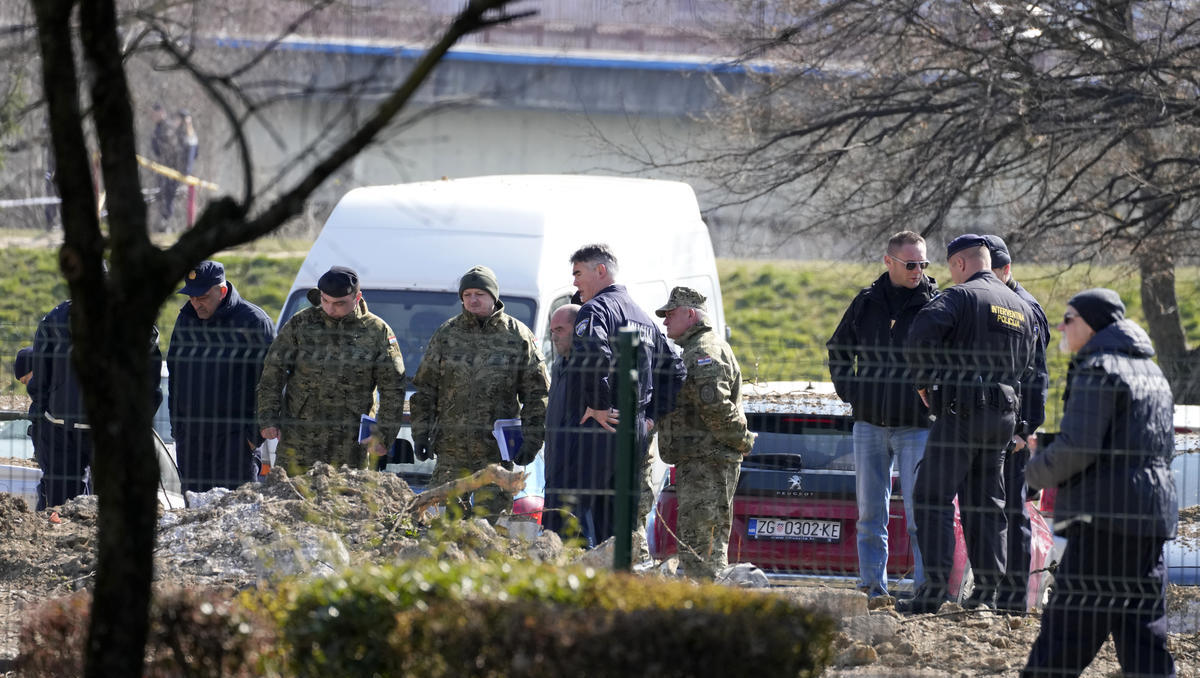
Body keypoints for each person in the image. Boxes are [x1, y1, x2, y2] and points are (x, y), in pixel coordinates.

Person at [1022, 289, 1177, 677]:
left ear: (1091, 324)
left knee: (1064, 636)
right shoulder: (1153, 373)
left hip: (1104, 520)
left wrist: (1032, 475)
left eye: (1069, 318)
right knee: (1144, 638)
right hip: (1150, 520)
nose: (1061, 325)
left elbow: (1079, 448)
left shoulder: (1099, 368)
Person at [900, 234, 1036, 613]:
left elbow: (919, 335)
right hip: (1003, 418)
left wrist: (925, 382)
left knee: (932, 496)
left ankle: (934, 591)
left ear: (960, 264)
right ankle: (986, 595)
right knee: (987, 504)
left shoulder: (959, 297)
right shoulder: (1019, 305)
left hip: (961, 412)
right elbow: (1028, 364)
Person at [827, 230, 939, 598]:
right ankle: (872, 589)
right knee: (869, 517)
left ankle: (926, 591)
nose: (918, 270)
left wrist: (935, 398)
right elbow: (839, 347)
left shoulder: (936, 303)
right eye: (911, 264)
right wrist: (852, 391)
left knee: (921, 515)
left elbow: (953, 358)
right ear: (889, 262)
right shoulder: (866, 302)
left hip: (917, 427)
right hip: (869, 424)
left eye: (923, 263)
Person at [552, 244, 685, 548]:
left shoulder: (596, 310)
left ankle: (574, 584)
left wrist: (598, 405)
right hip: (633, 431)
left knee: (572, 513)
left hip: (602, 429)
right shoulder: (644, 318)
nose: (574, 282)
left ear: (600, 271)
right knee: (614, 522)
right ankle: (615, 579)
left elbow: (594, 354)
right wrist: (649, 417)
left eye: (578, 273)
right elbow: (675, 371)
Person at [409, 266, 549, 519]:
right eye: (468, 294)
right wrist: (420, 434)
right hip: (451, 453)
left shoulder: (517, 336)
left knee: (489, 528)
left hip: (496, 454)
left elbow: (537, 393)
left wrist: (531, 440)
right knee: (441, 525)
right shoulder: (447, 334)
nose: (473, 299)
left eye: (480, 294)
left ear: (493, 296)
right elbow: (425, 389)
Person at [256, 266, 405, 471]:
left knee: (345, 501)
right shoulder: (301, 324)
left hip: (350, 444)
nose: (330, 308)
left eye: (339, 303)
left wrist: (384, 434)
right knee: (292, 499)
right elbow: (273, 373)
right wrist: (268, 417)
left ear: (357, 297)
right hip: (299, 439)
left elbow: (393, 388)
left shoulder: (377, 331)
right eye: (325, 301)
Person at [655, 286, 755, 579]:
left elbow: (717, 408)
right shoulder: (696, 348)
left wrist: (743, 440)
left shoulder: (703, 352)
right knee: (698, 542)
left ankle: (707, 604)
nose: (665, 321)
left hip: (707, 463)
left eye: (670, 314)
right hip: (700, 461)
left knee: (704, 546)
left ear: (690, 314)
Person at [27, 300, 163, 509]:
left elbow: (149, 381)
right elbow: (40, 380)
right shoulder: (54, 320)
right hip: (64, 430)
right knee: (65, 507)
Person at [982, 235, 1050, 613]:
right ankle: (993, 597)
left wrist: (1026, 429)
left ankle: (1012, 604)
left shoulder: (1024, 307)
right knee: (992, 511)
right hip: (993, 424)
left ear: (1006, 271)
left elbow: (1036, 374)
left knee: (1013, 513)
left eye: (990, 273)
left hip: (1014, 430)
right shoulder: (995, 300)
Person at [167, 261, 275, 493]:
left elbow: (269, 383)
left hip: (234, 442)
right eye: (191, 297)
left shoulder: (254, 323)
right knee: (194, 518)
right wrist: (179, 429)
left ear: (222, 291)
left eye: (203, 297)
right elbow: (175, 373)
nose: (196, 303)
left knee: (235, 515)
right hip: (192, 441)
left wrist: (252, 437)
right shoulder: (186, 320)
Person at [542, 302, 582, 535]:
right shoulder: (559, 364)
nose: (554, 337)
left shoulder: (587, 367)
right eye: (552, 330)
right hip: (554, 466)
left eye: (560, 330)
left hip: (575, 470)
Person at [150, 103, 180, 223]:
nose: (153, 116)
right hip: (161, 167)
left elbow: (171, 149)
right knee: (162, 195)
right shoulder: (158, 128)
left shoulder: (167, 127)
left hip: (169, 167)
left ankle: (168, 221)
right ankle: (164, 221)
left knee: (168, 195)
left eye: (155, 113)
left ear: (161, 112)